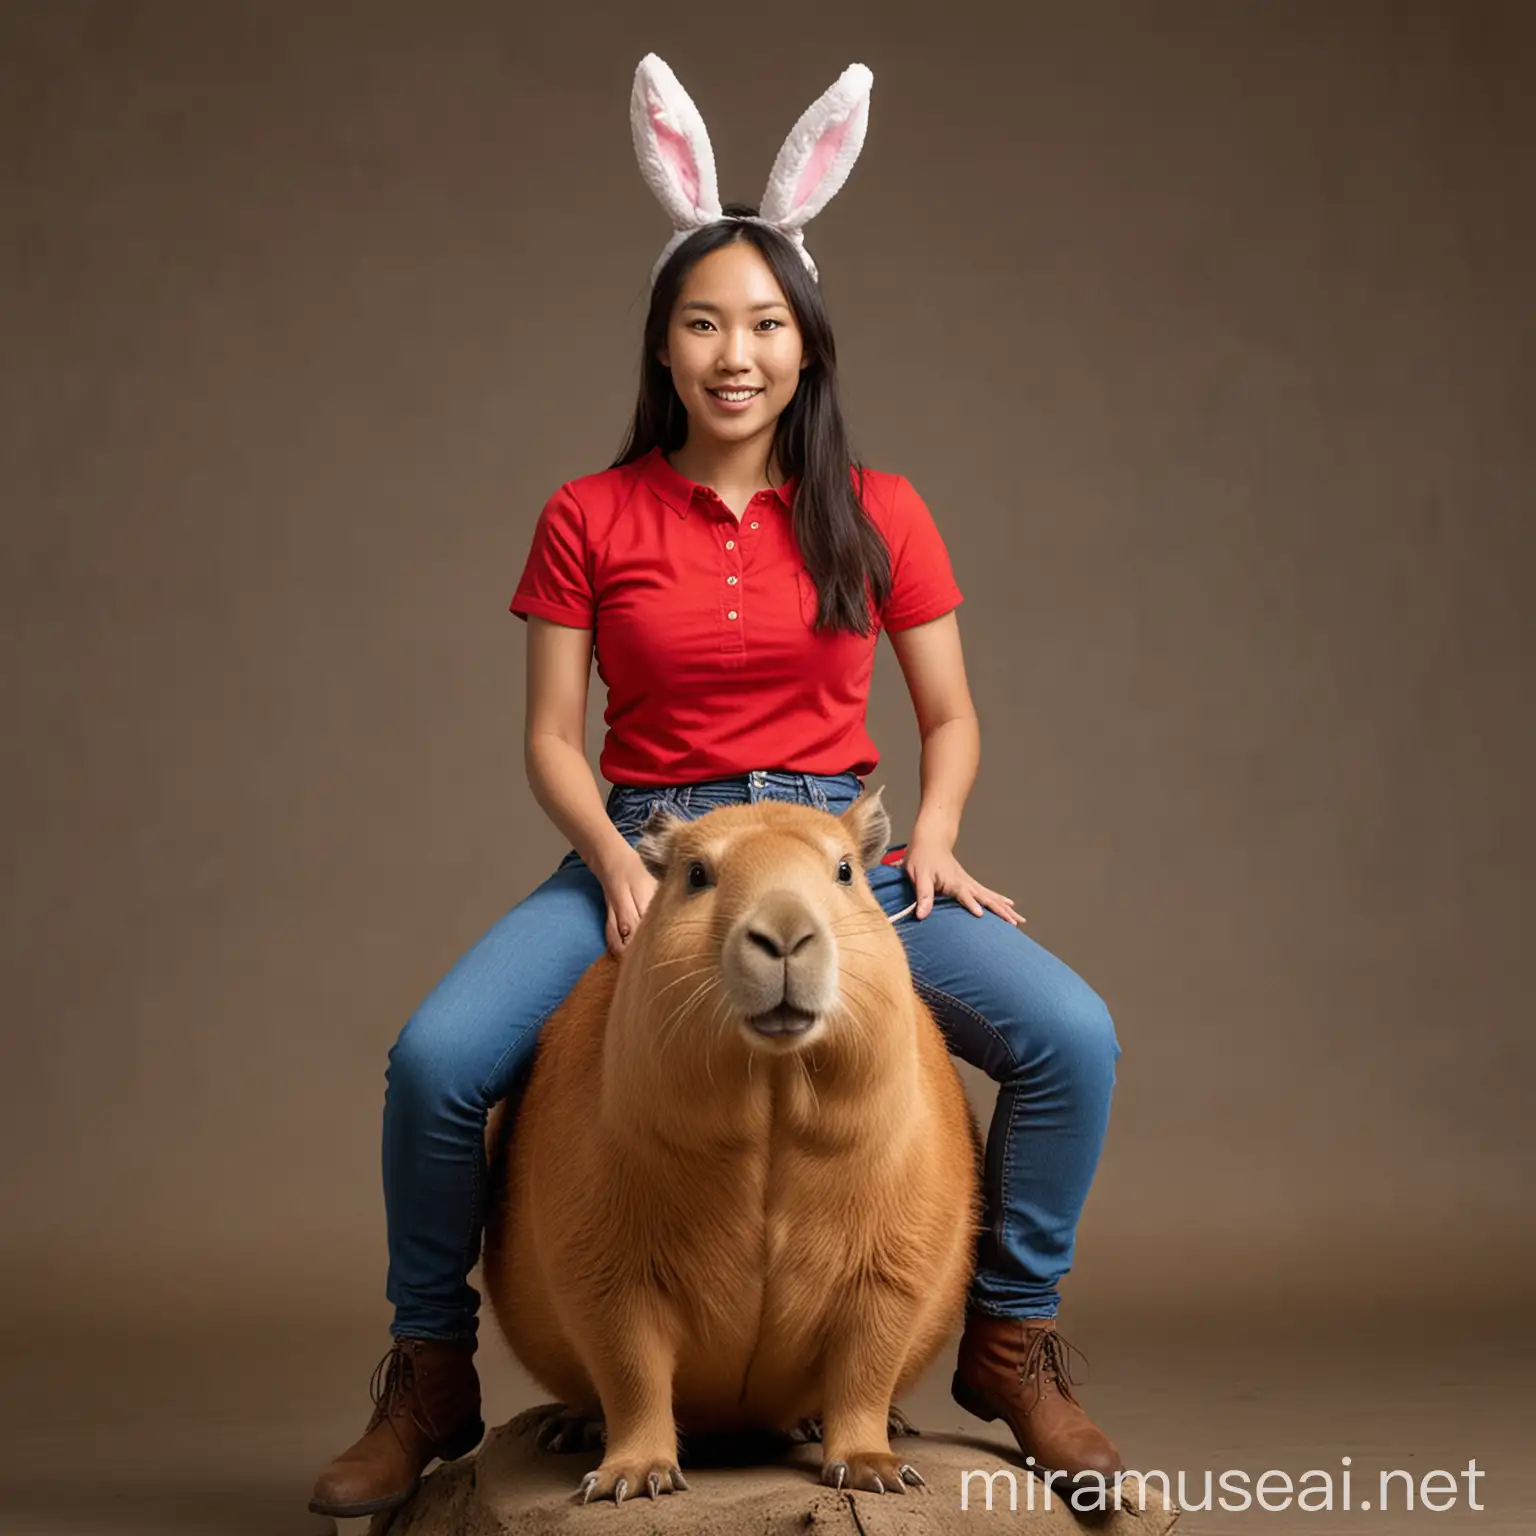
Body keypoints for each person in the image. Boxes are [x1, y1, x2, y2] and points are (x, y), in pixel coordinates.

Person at [310, 54, 1124, 1521]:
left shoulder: (881, 510)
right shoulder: (590, 512)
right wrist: (614, 865)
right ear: (663, 346)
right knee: (436, 1065)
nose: (733, 352)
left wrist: (931, 842)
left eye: (763, 323)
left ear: (807, 345)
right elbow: (556, 737)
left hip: (836, 860)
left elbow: (950, 714)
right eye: (703, 322)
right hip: (649, 852)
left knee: (1073, 1035)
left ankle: (1011, 1345)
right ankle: (429, 1371)